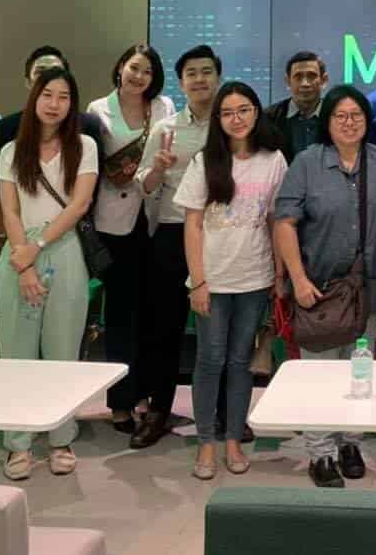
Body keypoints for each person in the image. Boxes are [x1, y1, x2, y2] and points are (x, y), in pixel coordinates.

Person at [275, 85, 376, 488]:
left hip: (368, 290)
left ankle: (350, 444)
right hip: (320, 289)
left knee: (361, 371)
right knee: (319, 375)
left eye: (356, 115)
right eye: (340, 115)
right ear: (327, 121)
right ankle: (320, 453)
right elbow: (285, 223)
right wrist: (298, 279)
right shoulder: (307, 163)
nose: (349, 122)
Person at [175, 82, 287, 480]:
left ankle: (234, 438)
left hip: (254, 278)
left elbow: (275, 220)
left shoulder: (274, 160)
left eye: (243, 110)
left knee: (241, 363)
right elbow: (191, 225)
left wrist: (278, 272)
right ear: (218, 119)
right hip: (213, 279)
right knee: (210, 360)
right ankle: (206, 441)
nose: (236, 119)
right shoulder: (205, 161)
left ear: (256, 113)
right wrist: (198, 282)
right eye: (227, 112)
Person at [0, 67, 99, 480]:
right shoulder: (11, 150)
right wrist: (23, 261)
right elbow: (9, 210)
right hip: (18, 252)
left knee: (63, 353)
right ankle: (17, 444)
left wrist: (36, 248)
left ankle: (61, 438)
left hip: (64, 249)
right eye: (47, 94)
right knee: (16, 356)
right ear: (34, 97)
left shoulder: (85, 146)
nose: (54, 104)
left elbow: (79, 205)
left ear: (72, 104)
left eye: (63, 97)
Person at [130, 44, 219, 449]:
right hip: (170, 233)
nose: (199, 79)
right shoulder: (166, 128)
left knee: (216, 330)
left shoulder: (231, 124)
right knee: (163, 329)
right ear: (181, 83)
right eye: (191, 73)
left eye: (206, 71)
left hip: (218, 237)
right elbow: (143, 185)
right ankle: (159, 410)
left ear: (217, 76)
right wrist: (158, 169)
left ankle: (220, 411)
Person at [86, 44, 176, 438]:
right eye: (134, 68)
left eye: (147, 71)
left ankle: (147, 397)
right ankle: (120, 401)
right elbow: (90, 163)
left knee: (154, 313)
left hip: (155, 217)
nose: (139, 77)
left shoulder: (164, 107)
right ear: (120, 68)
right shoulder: (97, 110)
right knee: (121, 314)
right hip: (114, 222)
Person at [0, 46, 106, 187]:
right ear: (28, 82)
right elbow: (1, 185)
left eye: (56, 72)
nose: (48, 78)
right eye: (40, 72)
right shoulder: (7, 128)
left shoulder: (88, 127)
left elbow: (94, 186)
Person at [265, 51, 329, 163]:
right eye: (298, 77)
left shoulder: (336, 116)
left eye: (311, 76)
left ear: (324, 80)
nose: (305, 83)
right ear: (288, 81)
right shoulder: (268, 118)